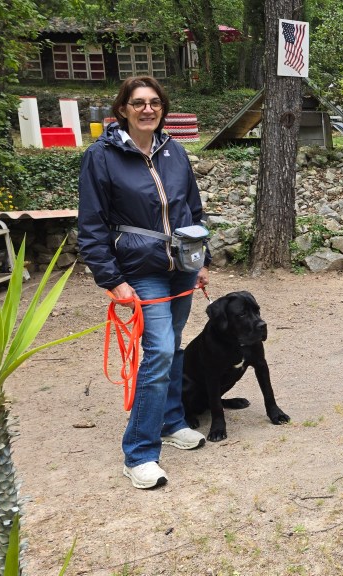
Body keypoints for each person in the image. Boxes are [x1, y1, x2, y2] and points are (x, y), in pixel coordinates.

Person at [78, 76, 210, 490]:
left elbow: (192, 209)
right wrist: (112, 279)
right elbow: (91, 226)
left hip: (182, 265)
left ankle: (171, 421)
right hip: (141, 270)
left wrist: (200, 259)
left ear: (162, 108)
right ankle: (139, 453)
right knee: (160, 352)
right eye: (138, 103)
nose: (147, 109)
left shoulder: (174, 151)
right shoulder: (101, 156)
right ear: (123, 110)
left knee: (173, 346)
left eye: (154, 102)